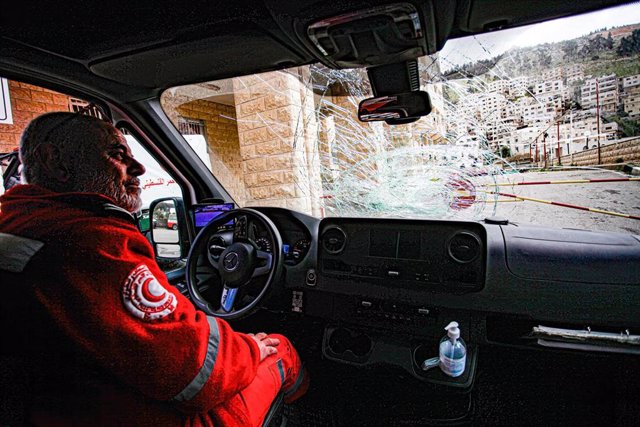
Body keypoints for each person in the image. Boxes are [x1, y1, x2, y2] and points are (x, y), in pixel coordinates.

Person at [0, 112, 308, 426]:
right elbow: (200, 373)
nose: (139, 168)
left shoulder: (19, 226)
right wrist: (252, 349)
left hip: (63, 405)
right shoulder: (90, 243)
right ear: (54, 161)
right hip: (136, 414)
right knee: (281, 350)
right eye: (117, 155)